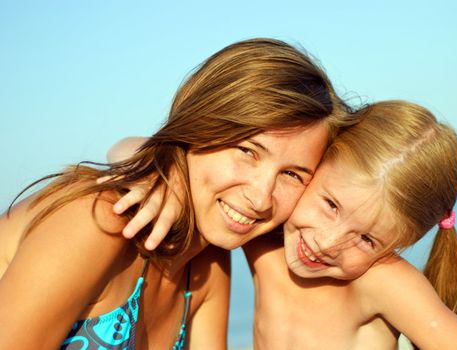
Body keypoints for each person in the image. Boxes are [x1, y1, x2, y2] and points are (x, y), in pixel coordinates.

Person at [0, 38, 351, 349]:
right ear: (198, 126)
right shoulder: (101, 220)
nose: (261, 198)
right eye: (247, 151)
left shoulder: (207, 265)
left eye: (291, 174)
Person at [115, 101, 457, 349]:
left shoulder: (383, 283)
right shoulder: (266, 240)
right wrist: (172, 176)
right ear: (313, 168)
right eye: (330, 204)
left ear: (402, 243)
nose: (327, 242)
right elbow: (125, 148)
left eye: (365, 238)